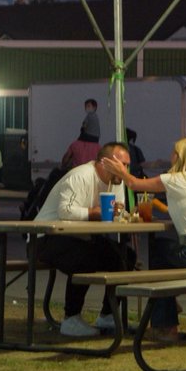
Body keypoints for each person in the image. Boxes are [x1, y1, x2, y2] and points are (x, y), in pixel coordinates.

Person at [104, 138, 186, 342]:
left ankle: (165, 324)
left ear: (181, 157)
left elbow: (134, 184)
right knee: (165, 252)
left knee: (158, 250)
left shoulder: (174, 179)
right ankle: (167, 303)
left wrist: (120, 170)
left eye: (174, 152)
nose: (170, 155)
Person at [34, 142, 133, 338]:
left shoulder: (116, 182)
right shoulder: (81, 176)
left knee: (125, 257)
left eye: (127, 165)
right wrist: (93, 213)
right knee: (83, 258)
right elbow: (65, 211)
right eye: (122, 164)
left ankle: (107, 314)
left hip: (81, 238)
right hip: (47, 237)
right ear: (105, 162)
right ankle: (71, 318)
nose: (125, 170)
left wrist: (125, 216)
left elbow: (119, 212)